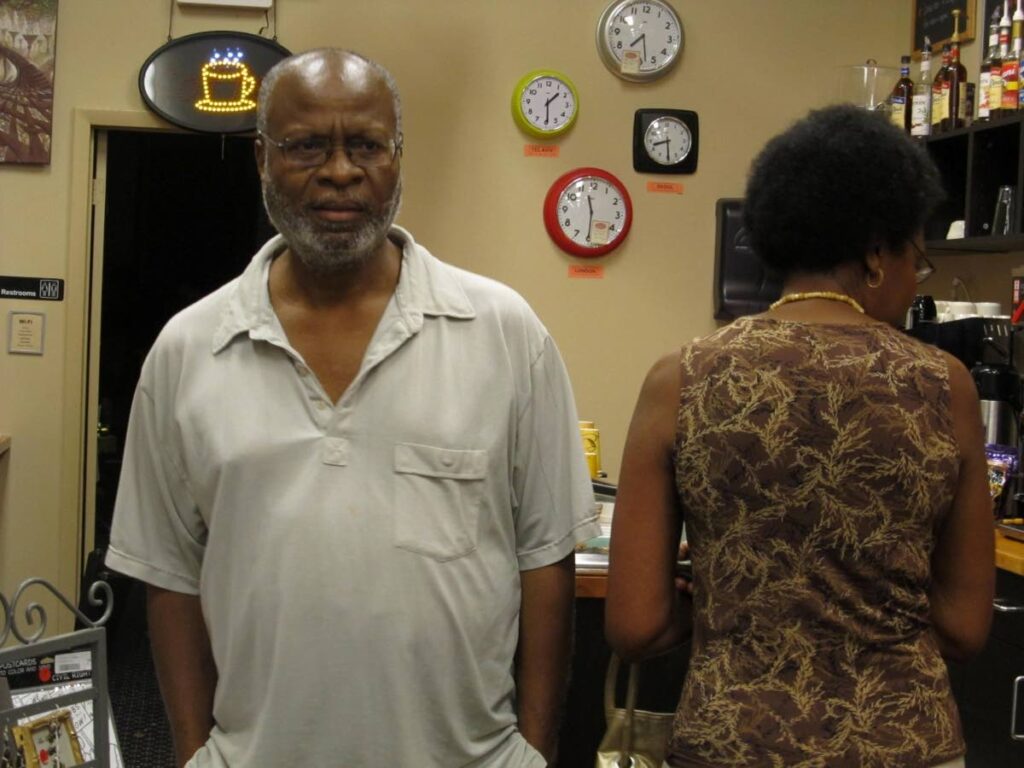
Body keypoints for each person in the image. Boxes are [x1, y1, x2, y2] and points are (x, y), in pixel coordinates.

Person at [105, 48, 599, 768]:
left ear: (398, 156)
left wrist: (532, 752)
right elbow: (169, 574)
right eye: (307, 145)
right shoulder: (189, 350)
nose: (339, 170)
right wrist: (192, 754)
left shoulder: (503, 333)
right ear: (262, 160)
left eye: (365, 144)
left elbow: (546, 559)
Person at [605, 104, 994, 768]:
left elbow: (636, 625)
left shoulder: (682, 378)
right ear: (877, 253)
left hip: (731, 743)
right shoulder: (943, 384)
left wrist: (731, 614)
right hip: (904, 746)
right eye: (915, 261)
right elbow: (963, 626)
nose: (910, 284)